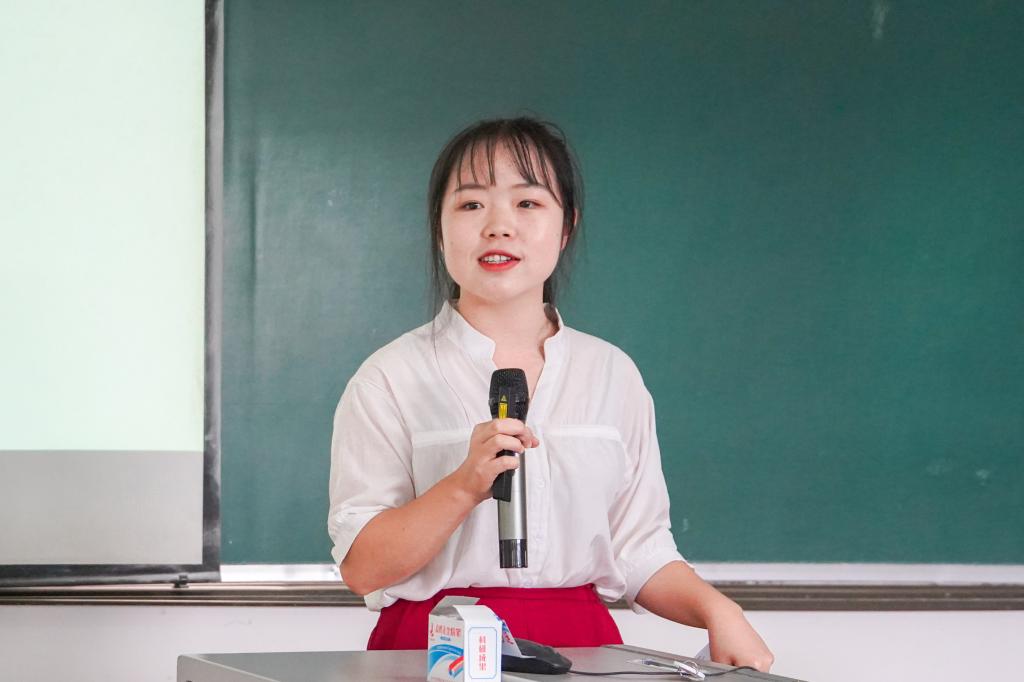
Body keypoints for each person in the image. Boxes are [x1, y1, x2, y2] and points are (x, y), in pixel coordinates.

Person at [328, 116, 774, 671]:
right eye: (471, 205)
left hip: (581, 650)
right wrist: (464, 486)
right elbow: (363, 567)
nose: (498, 226)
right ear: (439, 228)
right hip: (436, 649)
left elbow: (639, 551)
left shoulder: (611, 374)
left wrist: (719, 610)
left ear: (567, 227)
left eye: (528, 203)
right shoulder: (390, 376)